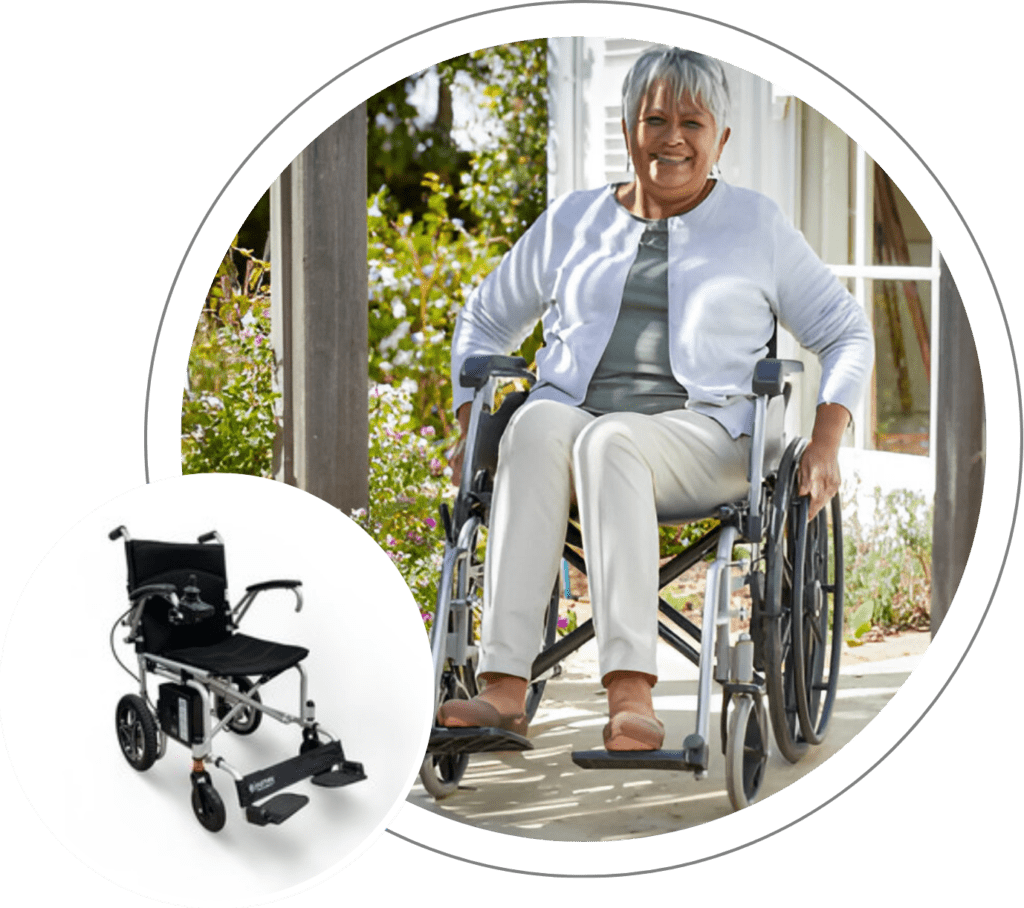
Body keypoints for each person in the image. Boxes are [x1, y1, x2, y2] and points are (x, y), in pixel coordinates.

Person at [439, 46, 873, 751]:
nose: (673, 138)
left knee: (610, 440)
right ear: (627, 129)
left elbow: (845, 331)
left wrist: (826, 437)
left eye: (693, 123)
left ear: (721, 139)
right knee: (534, 424)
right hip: (580, 433)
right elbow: (486, 318)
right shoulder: (573, 221)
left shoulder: (756, 227)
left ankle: (631, 691)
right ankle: (504, 687)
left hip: (712, 437)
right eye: (656, 119)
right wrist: (468, 418)